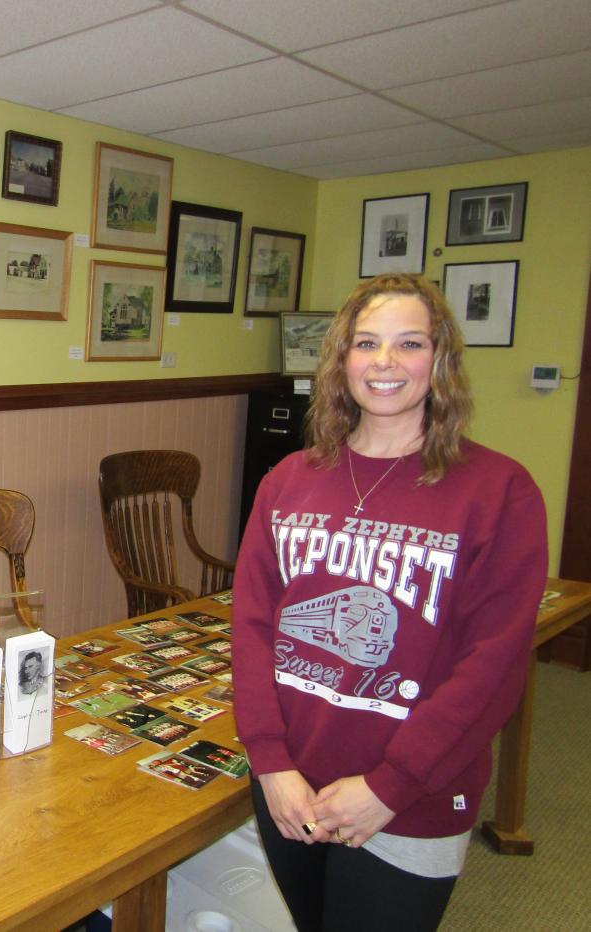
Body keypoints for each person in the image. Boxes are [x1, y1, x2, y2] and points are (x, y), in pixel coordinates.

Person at [233, 274, 547, 931]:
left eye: (408, 343)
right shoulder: (288, 480)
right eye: (366, 343)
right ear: (341, 358)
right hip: (292, 786)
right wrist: (271, 763)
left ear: (441, 362)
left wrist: (390, 786)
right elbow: (254, 628)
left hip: (413, 797)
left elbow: (493, 669)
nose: (383, 362)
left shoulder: (499, 491)